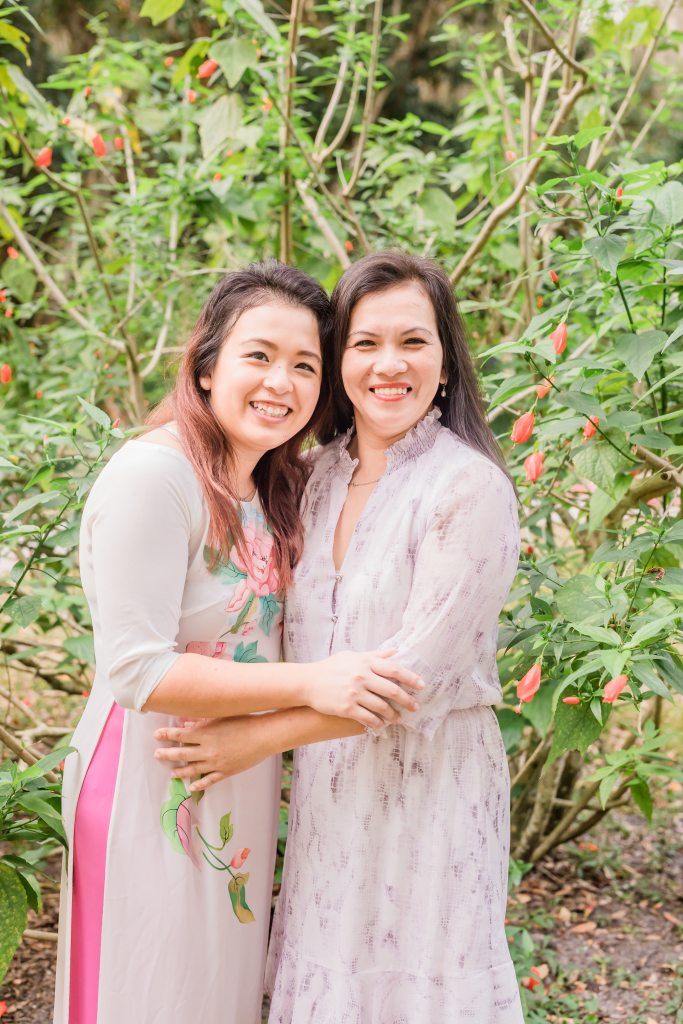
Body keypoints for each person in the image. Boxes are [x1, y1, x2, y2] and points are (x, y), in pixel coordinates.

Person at [155, 250, 524, 1022]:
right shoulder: (311, 477)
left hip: (431, 789)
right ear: (338, 364)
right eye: (364, 343)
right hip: (330, 793)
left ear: (447, 362)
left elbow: (409, 680)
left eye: (413, 342)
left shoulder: (467, 487)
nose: (388, 364)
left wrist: (254, 738)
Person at [53, 261, 422, 1024]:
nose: (279, 382)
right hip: (145, 779)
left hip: (235, 786)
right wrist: (310, 683)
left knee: (213, 1000)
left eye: (304, 365)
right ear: (207, 362)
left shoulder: (272, 486)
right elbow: (136, 669)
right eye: (258, 355)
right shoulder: (154, 476)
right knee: (145, 998)